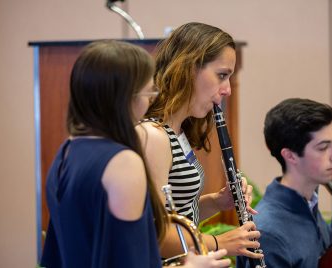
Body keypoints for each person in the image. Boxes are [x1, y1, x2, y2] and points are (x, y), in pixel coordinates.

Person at [40, 40, 231, 268]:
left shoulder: (68, 151)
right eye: (148, 91)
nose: (152, 99)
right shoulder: (122, 162)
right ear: (124, 96)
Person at [136, 22, 263, 260]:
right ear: (188, 69)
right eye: (221, 75)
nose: (227, 90)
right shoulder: (154, 136)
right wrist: (219, 242)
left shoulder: (177, 132)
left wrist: (217, 202)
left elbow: (181, 215)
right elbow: (154, 234)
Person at [237, 98, 332, 267]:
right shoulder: (269, 233)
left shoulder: (307, 201)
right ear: (290, 155)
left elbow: (330, 257)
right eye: (323, 147)